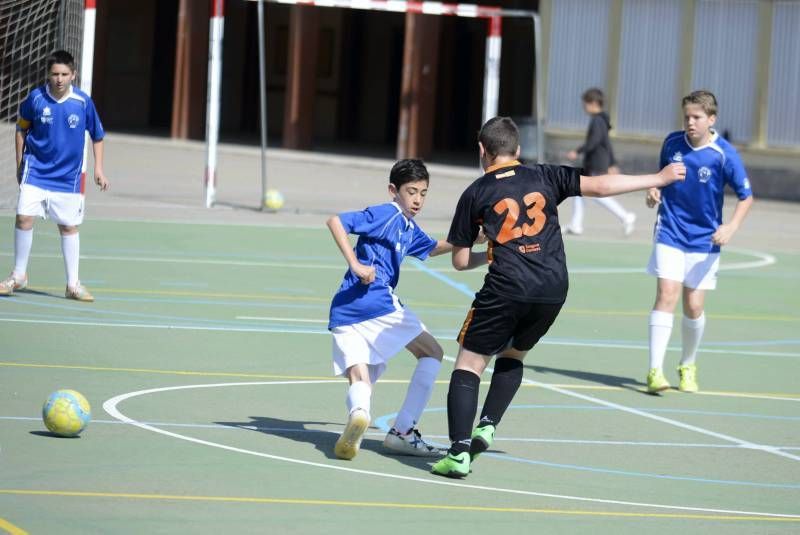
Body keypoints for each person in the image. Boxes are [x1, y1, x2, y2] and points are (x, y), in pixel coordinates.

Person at [430, 117, 685, 478]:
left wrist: (487, 252)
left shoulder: (476, 192)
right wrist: (658, 178)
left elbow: (458, 261)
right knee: (515, 352)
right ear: (517, 152)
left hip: (507, 286)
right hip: (553, 287)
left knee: (469, 364)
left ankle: (457, 453)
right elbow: (599, 186)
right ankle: (487, 424)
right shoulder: (544, 175)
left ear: (482, 151)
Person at [326, 159, 455, 460]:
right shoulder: (387, 214)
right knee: (432, 353)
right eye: (412, 192)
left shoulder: (407, 227)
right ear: (392, 191)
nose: (418, 200)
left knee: (361, 378)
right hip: (377, 301)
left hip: (345, 309)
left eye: (424, 193)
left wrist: (473, 243)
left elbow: (433, 248)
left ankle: (359, 413)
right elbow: (336, 222)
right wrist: (355, 263)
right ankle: (403, 432)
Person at [644, 90, 753, 394]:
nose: (690, 123)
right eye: (687, 117)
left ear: (711, 119)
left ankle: (688, 364)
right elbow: (660, 177)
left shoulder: (724, 154)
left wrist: (731, 227)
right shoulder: (672, 143)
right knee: (667, 293)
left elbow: (746, 196)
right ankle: (655, 371)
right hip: (670, 231)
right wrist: (654, 190)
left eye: (696, 117)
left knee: (694, 305)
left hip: (705, 239)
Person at [0, 50, 108, 301]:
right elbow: (21, 129)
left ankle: (73, 284)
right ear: (48, 75)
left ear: (73, 75)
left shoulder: (82, 102)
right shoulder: (36, 98)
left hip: (67, 177)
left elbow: (98, 135)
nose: (59, 79)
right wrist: (20, 163)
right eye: (55, 74)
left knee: (68, 227)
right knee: (24, 219)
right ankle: (18, 275)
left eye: (64, 74)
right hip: (35, 170)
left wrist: (99, 169)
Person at [564, 88, 637, 236]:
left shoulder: (598, 120)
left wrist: (577, 151)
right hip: (598, 161)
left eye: (585, 104)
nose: (584, 107)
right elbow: (607, 143)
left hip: (596, 162)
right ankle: (576, 224)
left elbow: (594, 142)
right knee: (579, 191)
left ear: (594, 103)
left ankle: (625, 216)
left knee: (595, 193)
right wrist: (612, 163)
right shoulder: (602, 120)